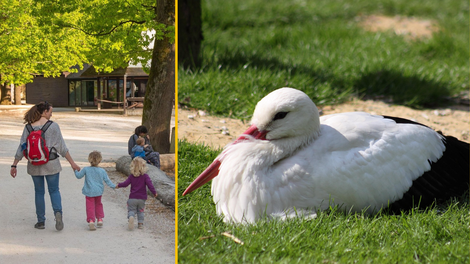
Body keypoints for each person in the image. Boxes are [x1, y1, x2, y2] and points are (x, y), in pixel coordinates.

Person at [10, 101, 80, 230]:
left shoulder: (28, 128)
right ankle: (58, 213)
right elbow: (62, 147)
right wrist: (72, 164)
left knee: (39, 192)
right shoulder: (53, 126)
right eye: (50, 112)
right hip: (52, 164)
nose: (51, 114)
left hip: (34, 164)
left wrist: (14, 165)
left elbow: (21, 147)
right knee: (54, 190)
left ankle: (41, 221)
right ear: (45, 112)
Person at [74, 151, 116, 231]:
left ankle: (91, 220)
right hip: (98, 191)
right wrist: (114, 186)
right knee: (98, 204)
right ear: (99, 161)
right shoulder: (102, 171)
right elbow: (107, 181)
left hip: (89, 191)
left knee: (90, 206)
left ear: (89, 160)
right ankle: (99, 218)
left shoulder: (86, 169)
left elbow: (78, 176)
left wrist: (75, 170)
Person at [116, 157, 158, 230]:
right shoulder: (145, 176)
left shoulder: (131, 177)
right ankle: (140, 223)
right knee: (140, 210)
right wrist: (154, 193)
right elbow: (150, 185)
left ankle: (131, 217)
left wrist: (119, 185)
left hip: (132, 198)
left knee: (131, 210)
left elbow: (125, 184)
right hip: (142, 198)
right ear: (144, 167)